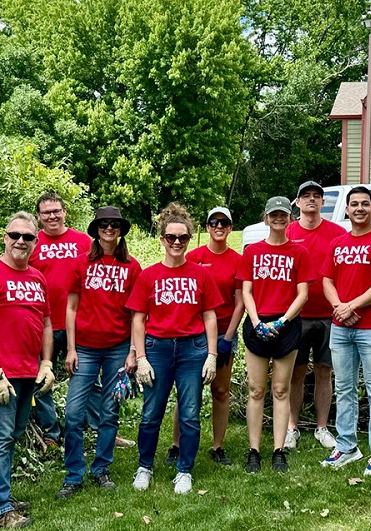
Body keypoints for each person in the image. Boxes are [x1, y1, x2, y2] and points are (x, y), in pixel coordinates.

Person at [126, 203, 221, 495]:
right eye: (171, 237)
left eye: (182, 237)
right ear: (162, 239)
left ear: (189, 239)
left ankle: (184, 470)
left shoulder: (201, 274)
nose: (176, 242)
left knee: (190, 413)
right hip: (158, 349)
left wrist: (212, 355)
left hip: (193, 350)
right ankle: (145, 466)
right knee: (151, 412)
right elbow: (138, 319)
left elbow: (210, 316)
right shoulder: (149, 276)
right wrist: (140, 357)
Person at [0, 212, 56, 528]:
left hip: (27, 375)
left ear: (36, 241)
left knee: (13, 435)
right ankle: (0, 509)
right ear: (5, 238)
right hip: (0, 377)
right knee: (1, 437)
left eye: (28, 237)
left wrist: (46, 362)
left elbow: (46, 322)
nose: (21, 241)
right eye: (15, 235)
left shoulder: (37, 277)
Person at [57, 206, 142, 499]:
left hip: (118, 348)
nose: (109, 228)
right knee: (73, 413)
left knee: (109, 410)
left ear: (120, 230)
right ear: (96, 229)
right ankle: (73, 474)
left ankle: (101, 468)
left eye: (114, 225)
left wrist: (133, 351)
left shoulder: (132, 267)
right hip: (86, 349)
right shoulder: (81, 264)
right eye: (104, 224)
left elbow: (136, 314)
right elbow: (70, 308)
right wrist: (70, 348)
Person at [320, 187, 371, 475]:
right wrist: (340, 307)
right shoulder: (337, 243)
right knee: (344, 387)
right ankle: (347, 446)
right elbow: (327, 280)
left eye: (365, 204)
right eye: (354, 204)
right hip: (341, 329)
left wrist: (351, 305)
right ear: (347, 209)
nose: (359, 208)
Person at [165, 206, 244, 467]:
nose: (219, 226)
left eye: (224, 222)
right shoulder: (195, 256)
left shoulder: (237, 260)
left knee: (220, 390)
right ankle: (176, 445)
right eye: (214, 222)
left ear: (230, 227)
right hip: (194, 334)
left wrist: (227, 338)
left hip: (224, 332)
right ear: (207, 227)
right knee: (188, 392)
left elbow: (239, 302)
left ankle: (217, 446)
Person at [239, 196, 311, 473]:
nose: (279, 219)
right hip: (257, 325)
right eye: (273, 215)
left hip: (287, 325)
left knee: (281, 389)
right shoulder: (252, 251)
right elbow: (246, 291)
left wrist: (282, 321)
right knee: (257, 389)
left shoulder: (299, 253)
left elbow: (302, 293)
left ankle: (279, 450)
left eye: (283, 214)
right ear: (266, 218)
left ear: (290, 217)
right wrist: (257, 322)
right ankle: (254, 450)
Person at [285, 180, 346, 451]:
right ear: (297, 203)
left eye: (316, 196)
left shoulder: (337, 233)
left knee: (324, 371)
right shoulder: (286, 232)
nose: (311, 200)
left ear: (323, 202)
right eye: (305, 196)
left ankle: (322, 427)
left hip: (328, 315)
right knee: (294, 373)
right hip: (296, 316)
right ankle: (292, 428)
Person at [29, 192, 92, 448]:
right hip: (44, 323)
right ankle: (51, 433)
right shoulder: (31, 241)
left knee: (89, 376)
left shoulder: (83, 241)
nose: (52, 216)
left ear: (65, 212)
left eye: (56, 211)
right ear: (39, 217)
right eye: (46, 212)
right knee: (42, 379)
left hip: (78, 322)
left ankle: (94, 427)